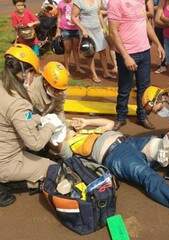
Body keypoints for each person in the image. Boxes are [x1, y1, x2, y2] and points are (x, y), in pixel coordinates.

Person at [66, 117, 169, 226]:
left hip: (129, 141)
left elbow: (109, 123)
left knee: (163, 145)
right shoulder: (68, 146)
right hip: (117, 155)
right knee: (148, 177)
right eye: (66, 128)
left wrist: (86, 122)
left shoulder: (84, 131)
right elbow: (62, 150)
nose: (70, 126)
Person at [0, 44, 63, 207]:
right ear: (24, 73)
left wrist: (39, 119)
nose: (33, 77)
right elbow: (35, 144)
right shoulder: (19, 104)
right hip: (6, 161)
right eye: (32, 73)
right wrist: (50, 126)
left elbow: (20, 118)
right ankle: (4, 185)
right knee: (53, 169)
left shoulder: (3, 86)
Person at [107, 0, 165, 130]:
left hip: (144, 51)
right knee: (124, 88)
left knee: (144, 88)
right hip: (127, 53)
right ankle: (121, 117)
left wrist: (158, 44)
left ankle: (142, 116)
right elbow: (113, 32)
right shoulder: (115, 2)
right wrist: (126, 56)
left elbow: (145, 24)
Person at [72, 0, 115, 83]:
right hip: (87, 32)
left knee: (103, 52)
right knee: (90, 54)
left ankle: (106, 72)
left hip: (98, 30)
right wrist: (83, 29)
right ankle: (94, 74)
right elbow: (73, 17)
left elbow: (99, 14)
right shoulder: (78, 1)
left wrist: (104, 27)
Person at [56, 0, 84, 73]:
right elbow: (59, 17)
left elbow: (81, 15)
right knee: (67, 50)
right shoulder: (60, 3)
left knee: (76, 50)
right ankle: (67, 69)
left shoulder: (76, 2)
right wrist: (58, 31)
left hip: (76, 29)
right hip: (65, 29)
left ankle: (78, 67)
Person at [153, 0, 167, 74]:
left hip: (164, 21)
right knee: (160, 43)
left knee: (163, 44)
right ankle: (163, 63)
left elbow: (162, 6)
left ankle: (163, 65)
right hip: (158, 23)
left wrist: (151, 8)